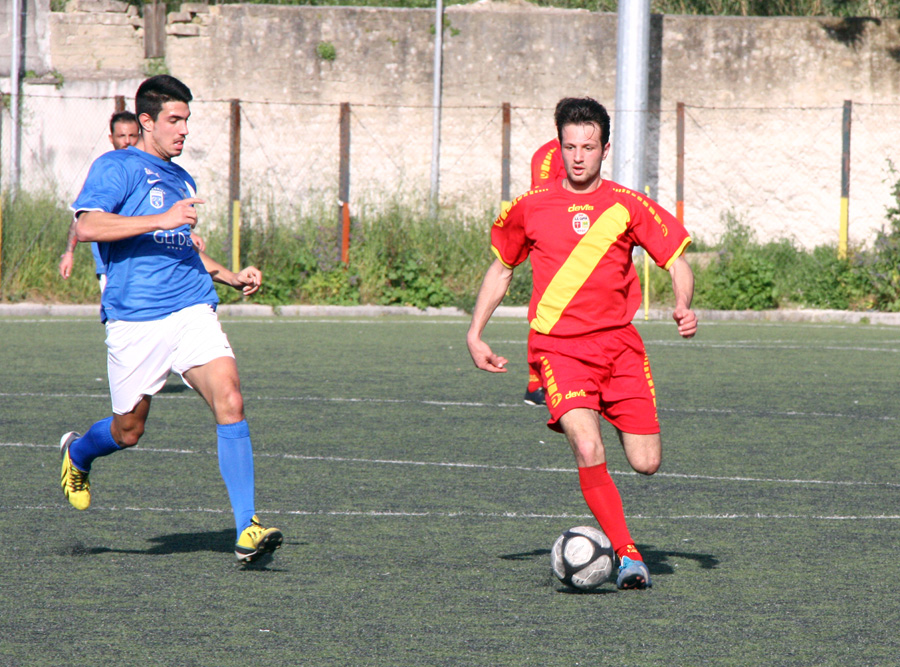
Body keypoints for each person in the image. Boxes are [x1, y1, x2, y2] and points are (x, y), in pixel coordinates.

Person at [467, 97, 697, 590]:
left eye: (588, 147)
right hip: (559, 350)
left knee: (646, 463)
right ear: (559, 145)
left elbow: (676, 259)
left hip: (620, 350)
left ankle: (607, 415)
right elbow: (501, 268)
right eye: (569, 146)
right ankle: (628, 555)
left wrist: (682, 303)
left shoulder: (627, 204)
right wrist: (475, 331)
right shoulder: (530, 207)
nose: (577, 157)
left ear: (604, 148)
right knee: (587, 445)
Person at [59, 75, 283, 565]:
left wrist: (228, 276)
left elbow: (179, 248)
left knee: (231, 398)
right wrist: (159, 220)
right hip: (136, 319)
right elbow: (88, 225)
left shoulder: (183, 179)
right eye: (174, 121)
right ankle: (78, 453)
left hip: (191, 308)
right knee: (128, 431)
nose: (183, 131)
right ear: (145, 121)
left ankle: (247, 527)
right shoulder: (117, 166)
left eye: (187, 121)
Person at [58, 111, 205, 290]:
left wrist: (183, 233)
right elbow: (83, 219)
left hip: (147, 270)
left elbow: (159, 214)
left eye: (132, 135)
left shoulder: (152, 173)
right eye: (122, 136)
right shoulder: (109, 170)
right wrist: (69, 252)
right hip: (112, 267)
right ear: (111, 138)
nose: (127, 141)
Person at [521, 138, 569, 406]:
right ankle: (535, 384)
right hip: (553, 243)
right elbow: (544, 199)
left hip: (578, 243)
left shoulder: (583, 151)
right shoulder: (548, 154)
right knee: (544, 309)